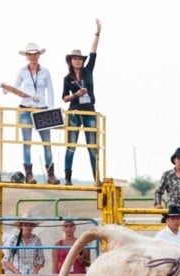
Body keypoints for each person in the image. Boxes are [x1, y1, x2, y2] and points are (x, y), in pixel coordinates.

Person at [3, 42, 60, 185]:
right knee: (27, 143)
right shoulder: (22, 71)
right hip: (26, 109)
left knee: (47, 143)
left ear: (39, 55)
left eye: (35, 54)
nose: (33, 57)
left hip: (42, 109)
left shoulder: (45, 71)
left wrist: (51, 110)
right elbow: (16, 87)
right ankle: (29, 175)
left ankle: (50, 175)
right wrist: (6, 89)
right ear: (27, 56)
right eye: (30, 54)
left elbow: (50, 91)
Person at [61, 19, 102, 186]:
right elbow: (64, 97)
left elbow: (93, 52)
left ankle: (96, 178)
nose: (77, 61)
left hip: (89, 111)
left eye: (79, 58)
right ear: (71, 61)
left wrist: (97, 33)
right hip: (74, 112)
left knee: (93, 147)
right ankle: (68, 179)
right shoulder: (67, 78)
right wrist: (76, 94)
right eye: (75, 58)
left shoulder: (88, 71)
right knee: (71, 146)